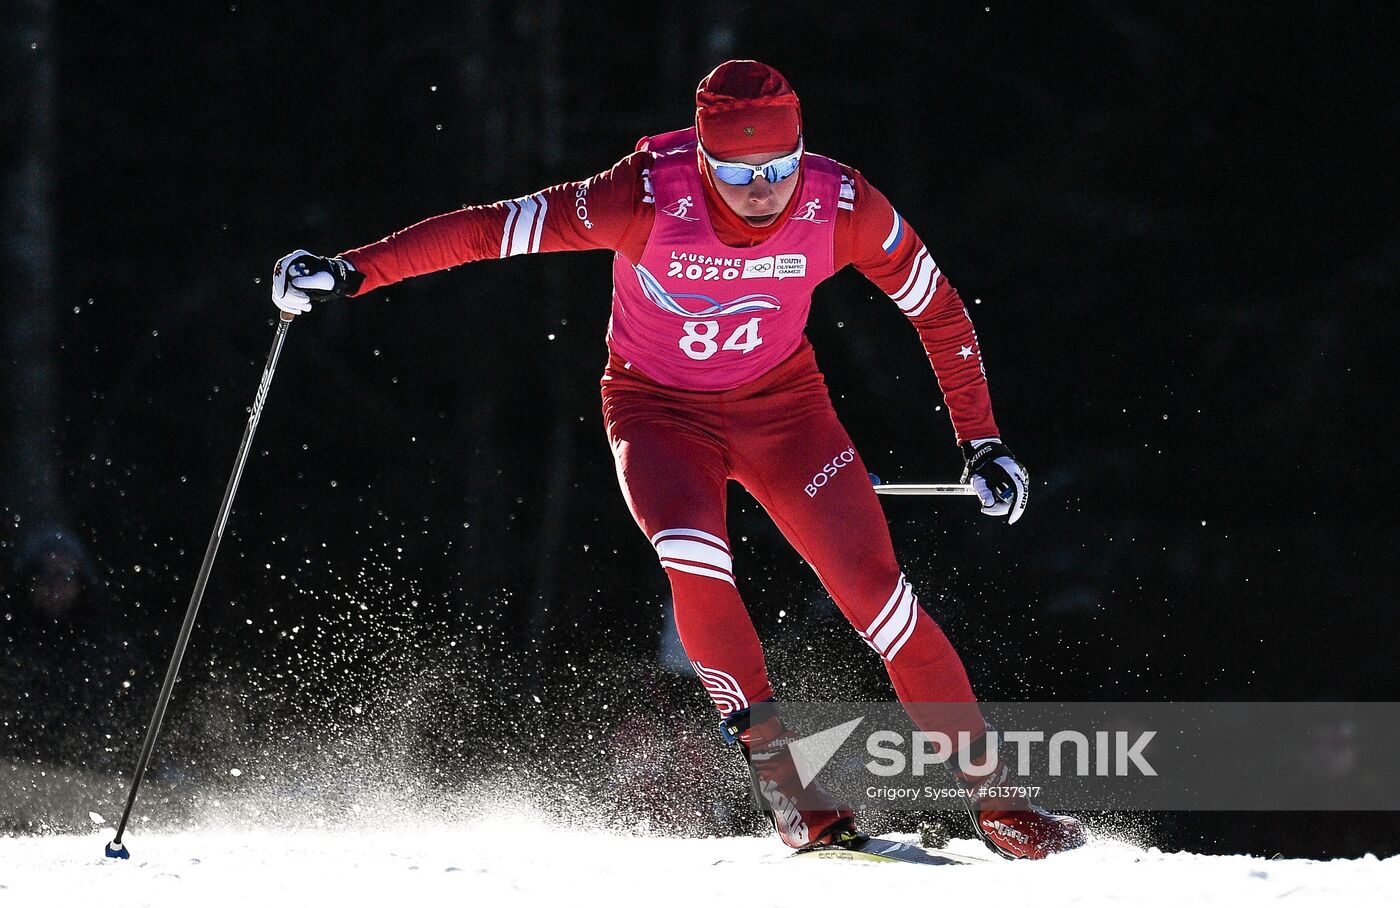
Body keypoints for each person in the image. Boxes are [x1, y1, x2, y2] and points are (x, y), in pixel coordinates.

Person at [272, 59, 1082, 860]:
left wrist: (981, 440)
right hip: (658, 413)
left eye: (779, 168)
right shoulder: (642, 195)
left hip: (785, 410)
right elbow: (490, 229)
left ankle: (1001, 805)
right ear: (702, 157)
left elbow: (938, 309)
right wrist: (350, 273)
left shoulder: (843, 204)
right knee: (694, 557)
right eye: (737, 171)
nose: (763, 190)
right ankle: (789, 789)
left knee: (880, 598)